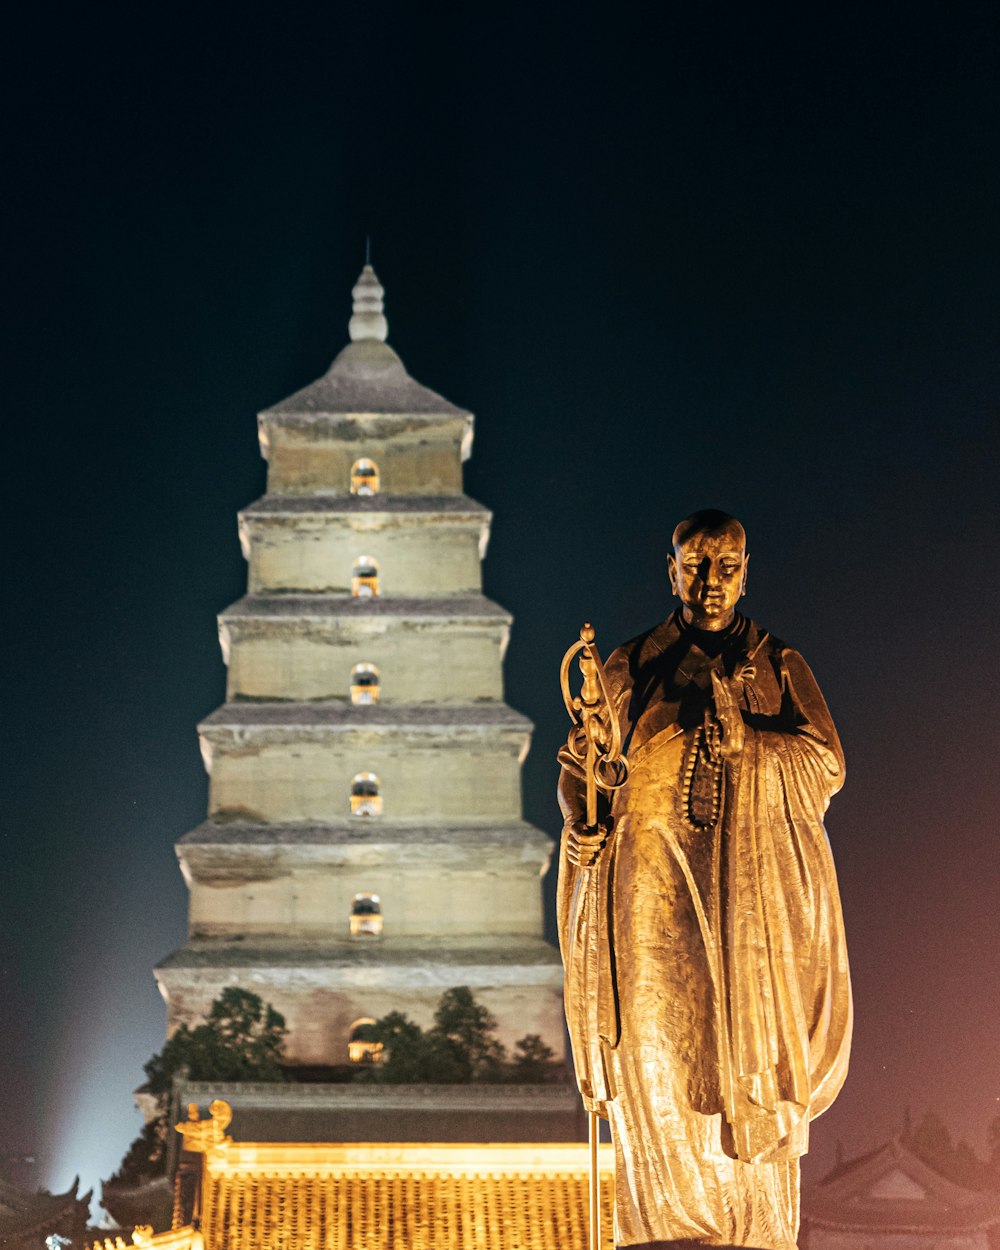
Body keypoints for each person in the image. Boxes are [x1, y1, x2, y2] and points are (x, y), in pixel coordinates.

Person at [557, 510, 851, 1250]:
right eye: (696, 565)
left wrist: (750, 744)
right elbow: (587, 779)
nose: (711, 581)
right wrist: (585, 812)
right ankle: (660, 1233)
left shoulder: (777, 665)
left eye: (727, 566)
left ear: (747, 571)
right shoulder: (627, 669)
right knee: (653, 1067)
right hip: (647, 898)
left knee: (740, 1077)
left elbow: (825, 766)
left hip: (748, 912)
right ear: (672, 569)